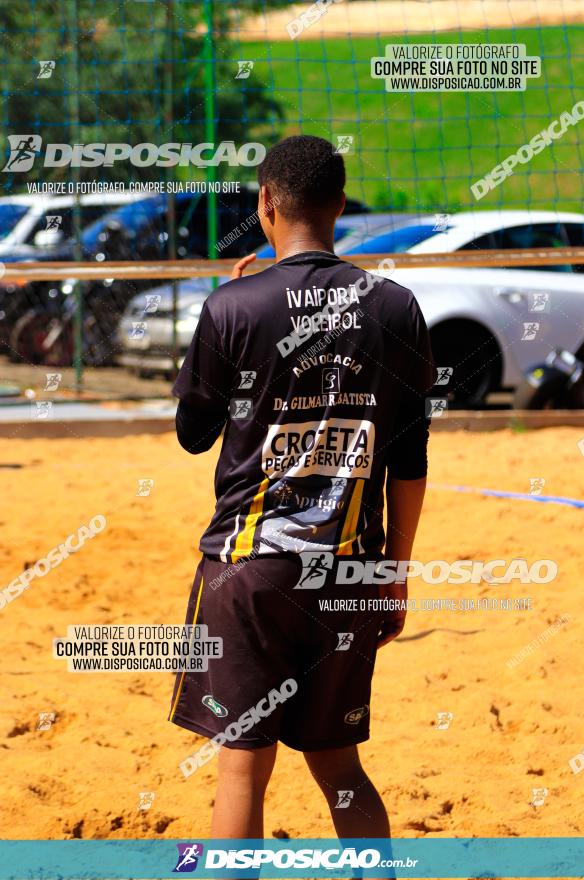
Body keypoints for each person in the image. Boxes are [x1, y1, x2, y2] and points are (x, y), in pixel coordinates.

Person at [169, 135, 434, 840]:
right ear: (340, 207)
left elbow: (193, 434)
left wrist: (228, 314)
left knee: (239, 772)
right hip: (347, 571)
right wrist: (394, 575)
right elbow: (409, 461)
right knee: (340, 768)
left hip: (249, 574)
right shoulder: (396, 308)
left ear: (264, 204)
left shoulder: (235, 308)